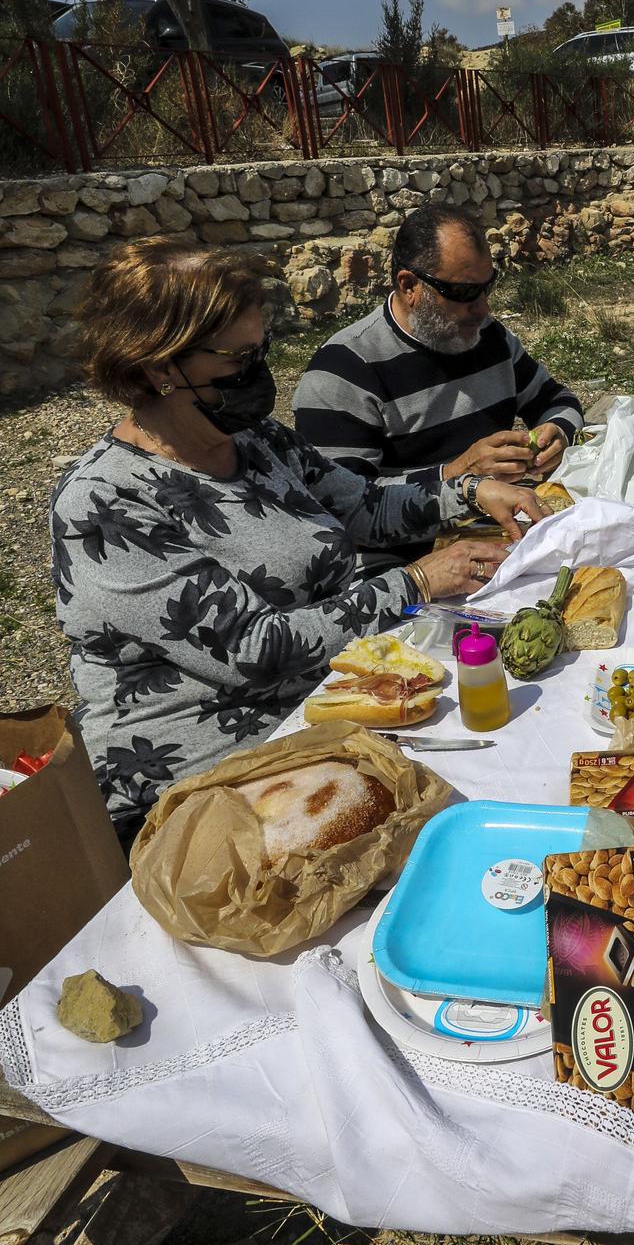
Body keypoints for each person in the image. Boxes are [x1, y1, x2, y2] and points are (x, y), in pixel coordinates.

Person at [52, 238, 547, 842]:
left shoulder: (258, 442)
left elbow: (362, 505)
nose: (257, 376)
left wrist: (470, 492)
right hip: (210, 781)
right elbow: (254, 651)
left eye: (261, 352)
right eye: (237, 360)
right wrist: (415, 581)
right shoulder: (105, 505)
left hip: (328, 706)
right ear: (158, 365)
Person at [293, 205, 582, 492]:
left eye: (486, 288)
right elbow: (344, 501)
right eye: (464, 292)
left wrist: (558, 434)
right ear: (409, 286)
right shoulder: (343, 372)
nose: (483, 307)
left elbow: (559, 400)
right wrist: (459, 475)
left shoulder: (489, 337)